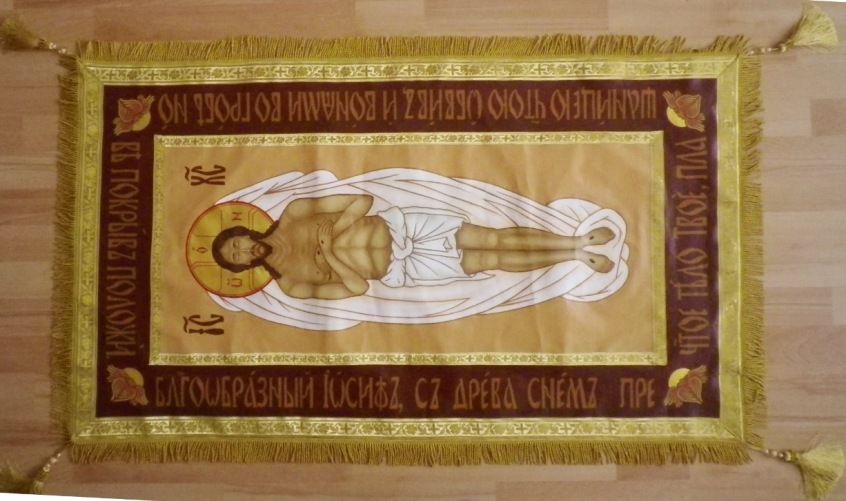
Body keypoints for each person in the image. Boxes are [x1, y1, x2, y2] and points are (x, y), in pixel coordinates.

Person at [211, 194, 615, 300]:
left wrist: (337, 229)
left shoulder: (296, 212)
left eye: (237, 246)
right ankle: (575, 258)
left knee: (493, 238)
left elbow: (361, 201)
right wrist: (331, 252)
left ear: (242, 234)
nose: (244, 253)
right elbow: (357, 288)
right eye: (237, 260)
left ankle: (577, 241)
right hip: (401, 270)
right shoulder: (291, 285)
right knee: (490, 259)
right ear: (242, 269)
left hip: (402, 228)